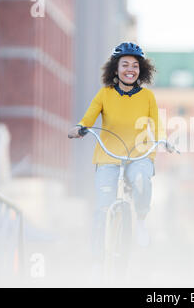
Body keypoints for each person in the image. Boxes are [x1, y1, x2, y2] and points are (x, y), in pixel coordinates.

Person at [68, 42, 164, 264]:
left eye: (135, 65)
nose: (130, 69)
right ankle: (97, 256)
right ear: (115, 68)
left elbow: (156, 124)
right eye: (125, 64)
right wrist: (80, 128)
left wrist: (162, 140)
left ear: (142, 70)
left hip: (139, 155)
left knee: (141, 180)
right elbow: (88, 118)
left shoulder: (147, 96)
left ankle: (140, 219)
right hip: (108, 156)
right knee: (102, 206)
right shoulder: (105, 94)